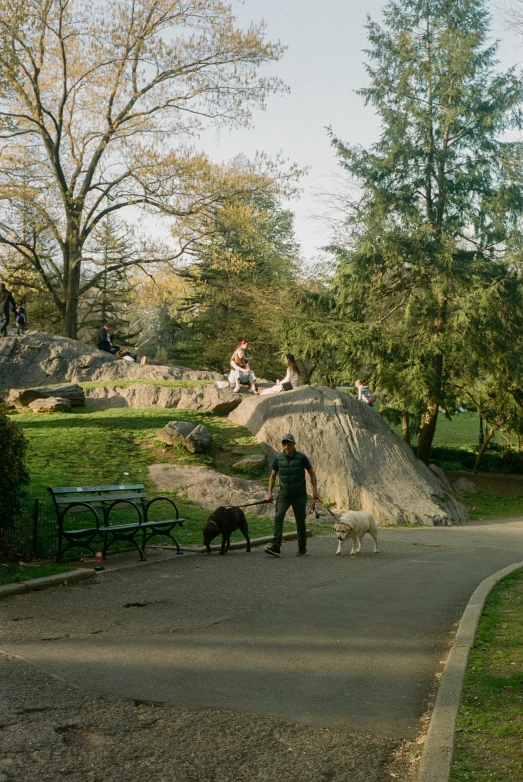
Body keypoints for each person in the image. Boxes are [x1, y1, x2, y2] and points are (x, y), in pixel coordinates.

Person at [264, 433, 320, 558]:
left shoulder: (301, 457)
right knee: (278, 517)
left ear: (294, 444)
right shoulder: (278, 458)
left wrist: (315, 491)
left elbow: (312, 473)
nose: (287, 446)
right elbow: (273, 476)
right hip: (284, 495)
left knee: (300, 521)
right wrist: (269, 493)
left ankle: (302, 548)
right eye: (284, 444)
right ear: (282, 446)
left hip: (299, 495)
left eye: (289, 443)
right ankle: (276, 546)